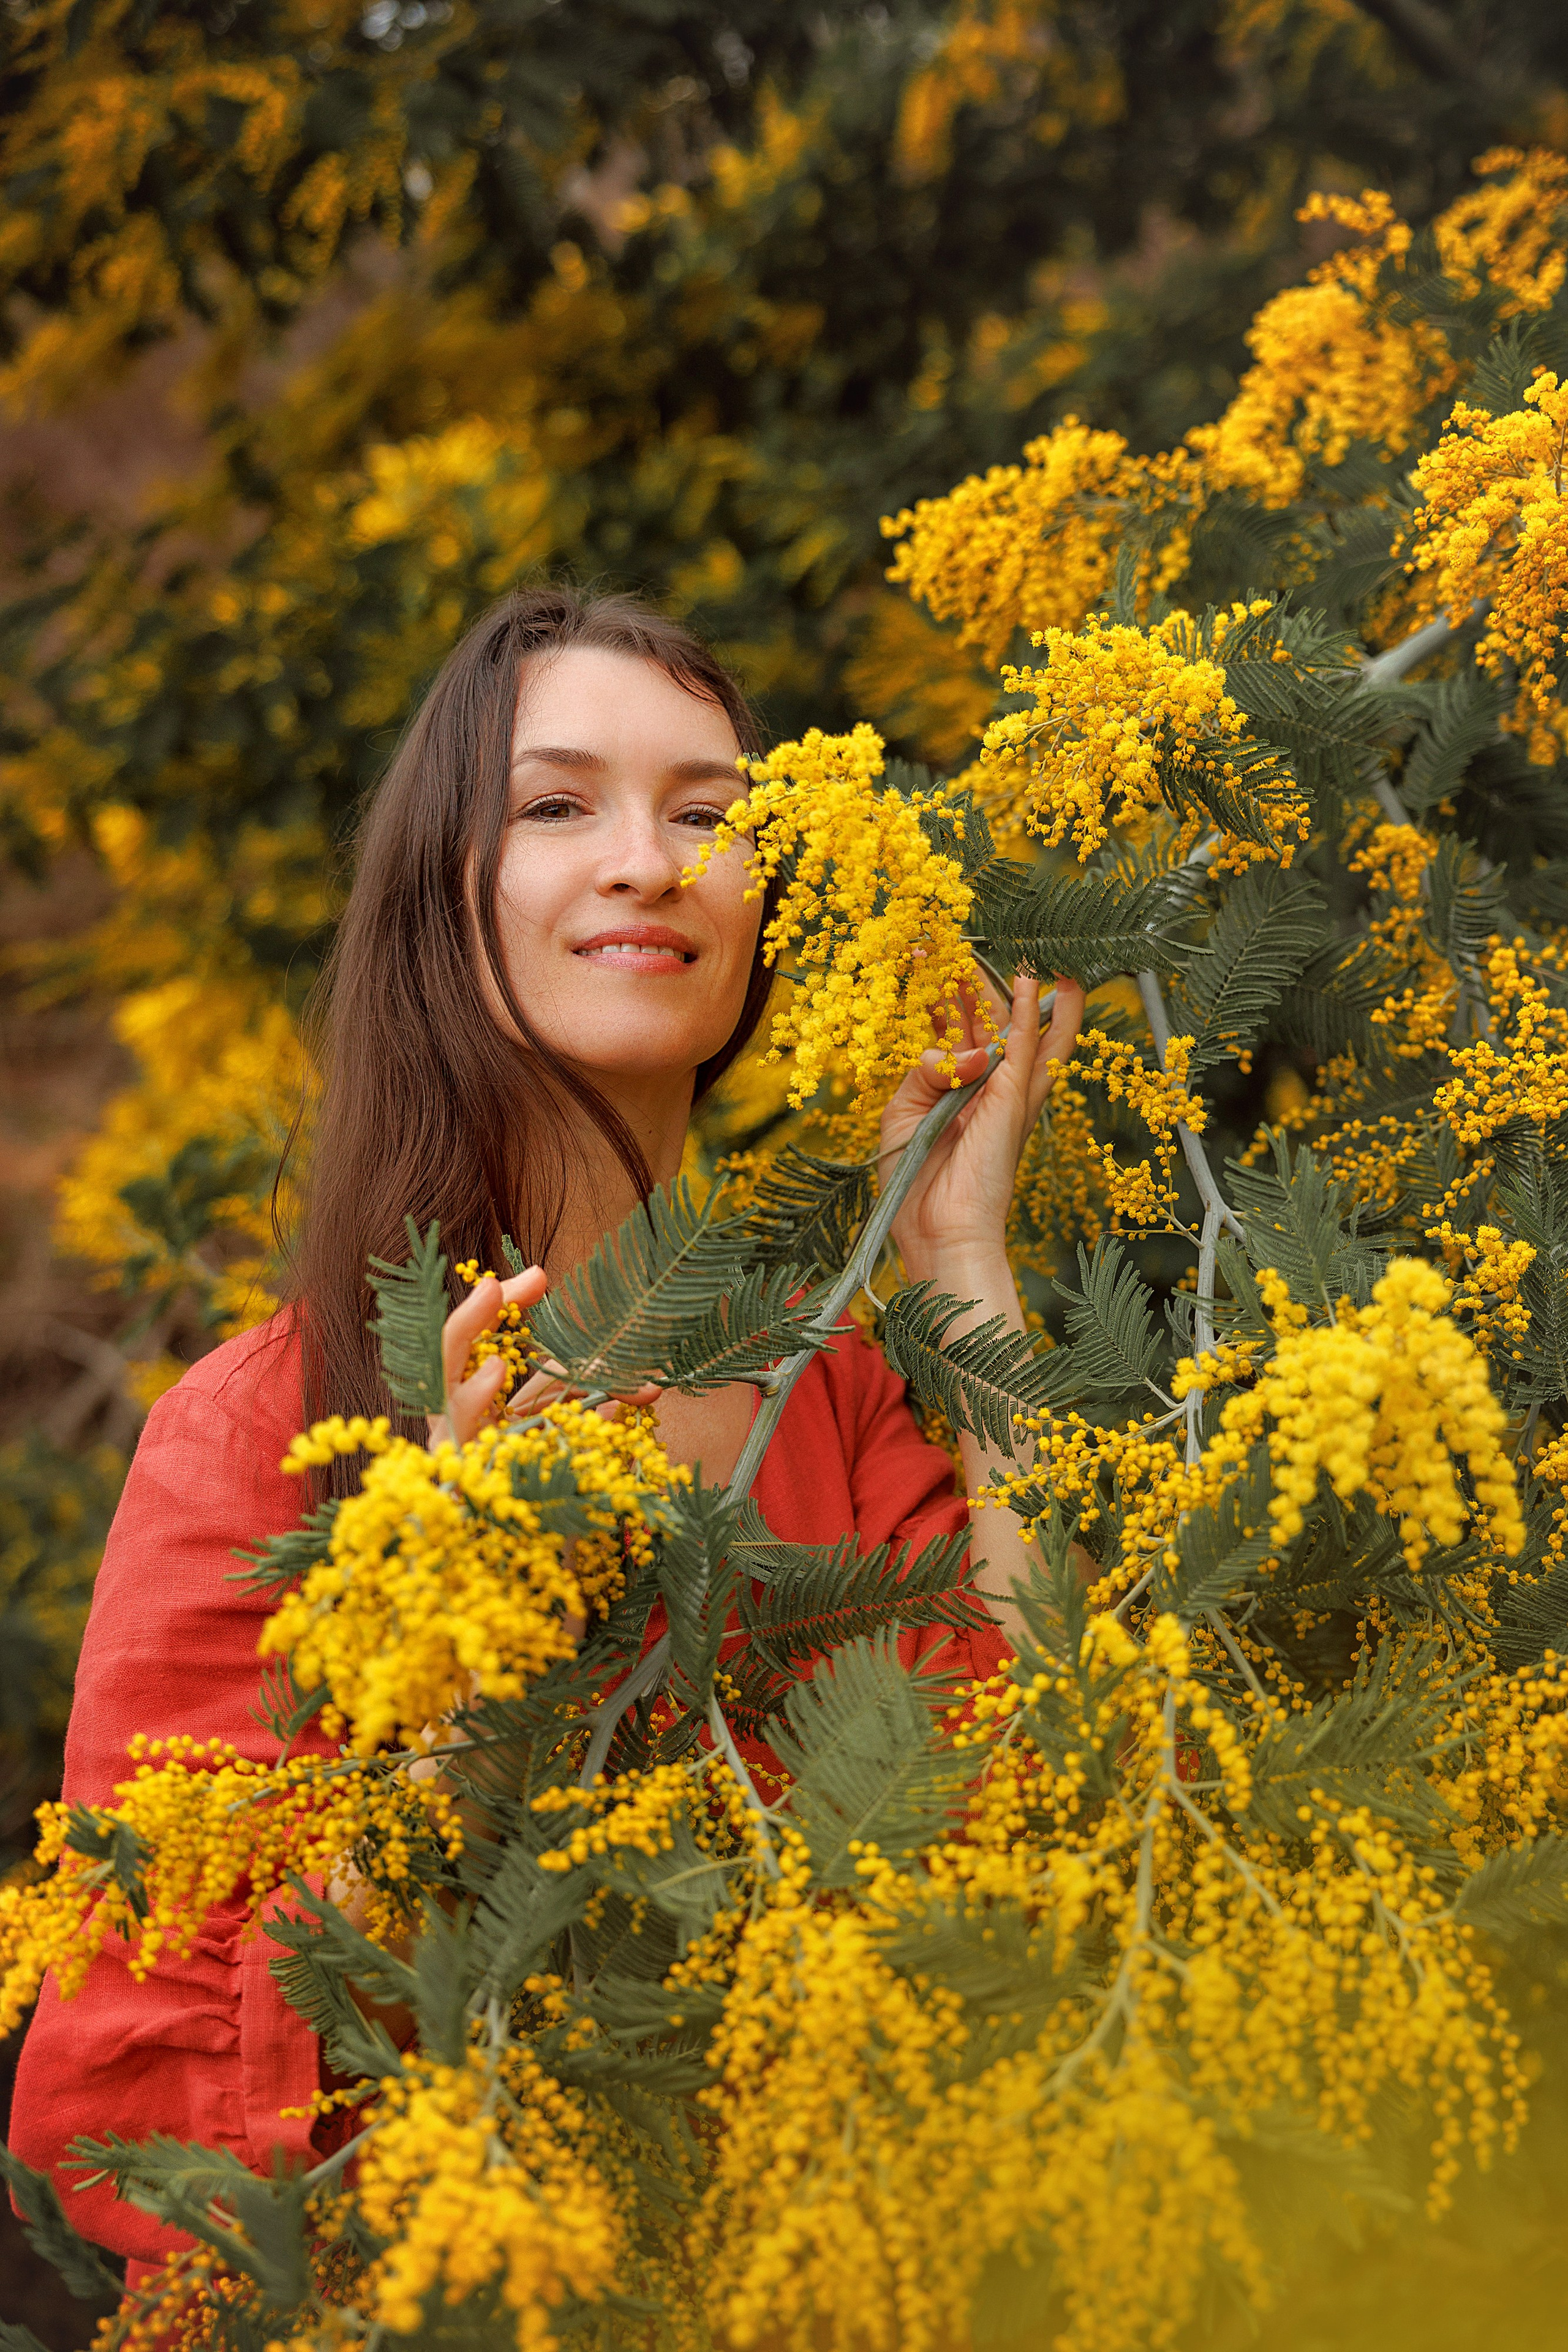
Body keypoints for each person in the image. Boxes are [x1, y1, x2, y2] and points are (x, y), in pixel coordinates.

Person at [9, 587, 1084, 2283]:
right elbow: (173, 2147)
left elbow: (1049, 1807)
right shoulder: (254, 1438)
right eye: (558, 805)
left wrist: (959, 1258)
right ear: (452, 899)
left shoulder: (844, 1396)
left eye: (713, 814)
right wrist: (450, 1657)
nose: (650, 862)